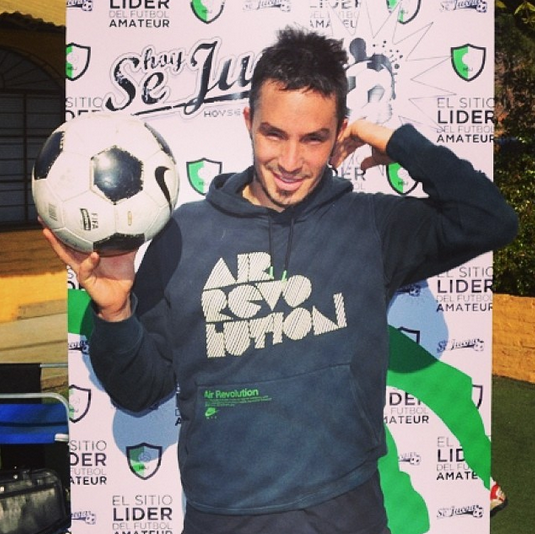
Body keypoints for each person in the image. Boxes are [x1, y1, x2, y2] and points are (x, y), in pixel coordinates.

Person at [43, 27, 517, 534]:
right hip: (224, 516)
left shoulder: (371, 225)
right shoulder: (183, 235)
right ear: (248, 122)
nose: (291, 163)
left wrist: (394, 140)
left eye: (314, 138)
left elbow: (491, 220)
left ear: (339, 133)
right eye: (274, 134)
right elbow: (140, 393)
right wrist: (116, 313)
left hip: (348, 510)